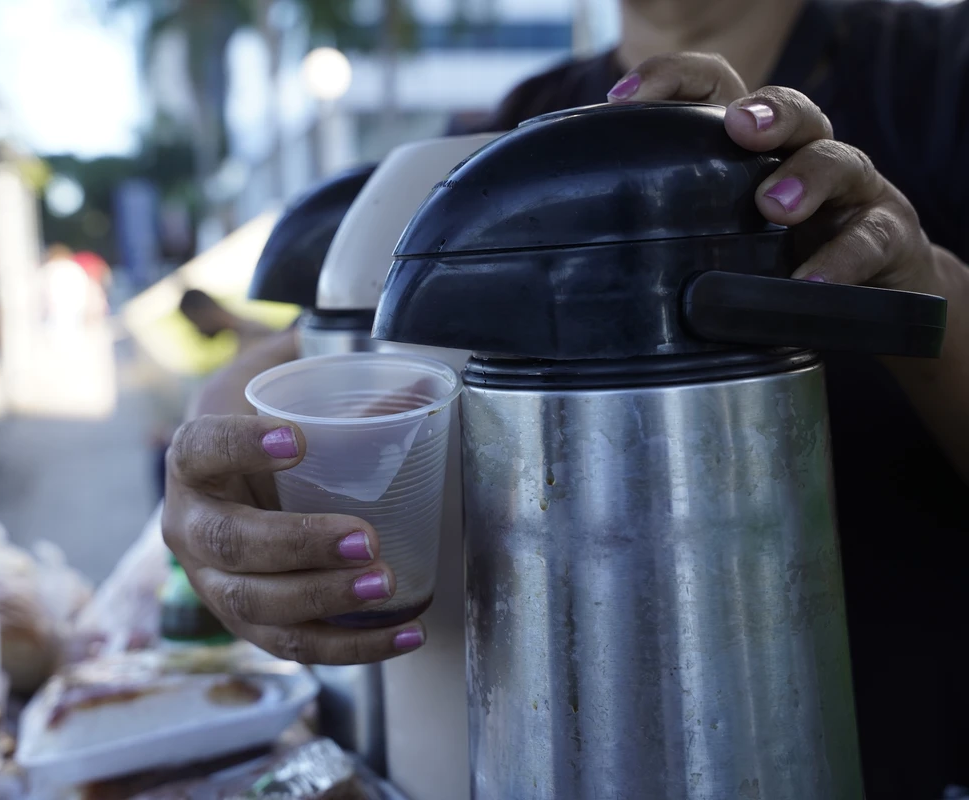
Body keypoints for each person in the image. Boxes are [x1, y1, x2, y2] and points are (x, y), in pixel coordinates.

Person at [161, 1, 969, 797]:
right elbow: (325, 359)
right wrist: (228, 469)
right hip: (560, 749)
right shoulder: (518, 128)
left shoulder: (940, 71)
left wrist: (918, 273)